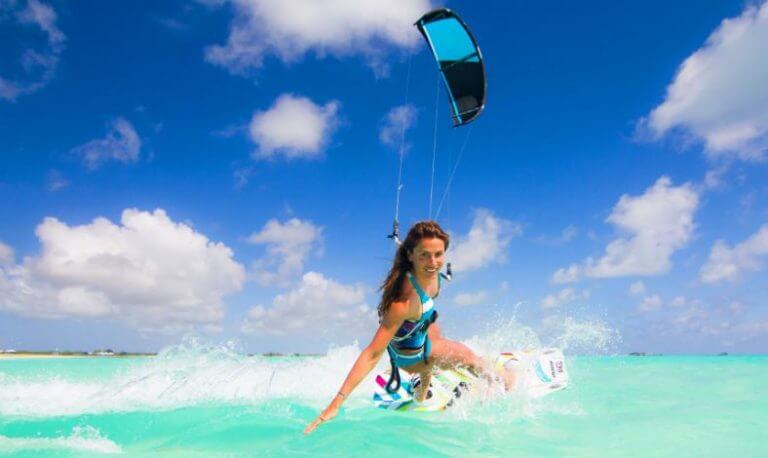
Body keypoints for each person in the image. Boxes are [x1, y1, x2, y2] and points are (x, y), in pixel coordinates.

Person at [304, 220, 514, 434]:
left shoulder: (433, 277)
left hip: (413, 339)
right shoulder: (403, 302)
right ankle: (507, 382)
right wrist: (335, 405)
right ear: (411, 256)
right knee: (469, 357)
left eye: (438, 254)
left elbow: (424, 287)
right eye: (424, 255)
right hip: (410, 359)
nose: (433, 262)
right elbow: (372, 353)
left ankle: (422, 392)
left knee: (435, 328)